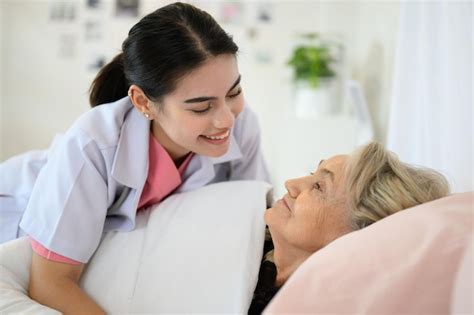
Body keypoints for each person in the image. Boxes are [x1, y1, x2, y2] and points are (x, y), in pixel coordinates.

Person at [0, 2, 269, 314]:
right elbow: (50, 283)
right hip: (15, 210)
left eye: (233, 93)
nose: (226, 120)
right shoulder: (93, 144)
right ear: (144, 102)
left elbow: (253, 218)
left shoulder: (243, 124)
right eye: (201, 107)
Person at [248, 141, 449, 314]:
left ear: (358, 234)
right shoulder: (244, 231)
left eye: (319, 187)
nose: (290, 183)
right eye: (312, 173)